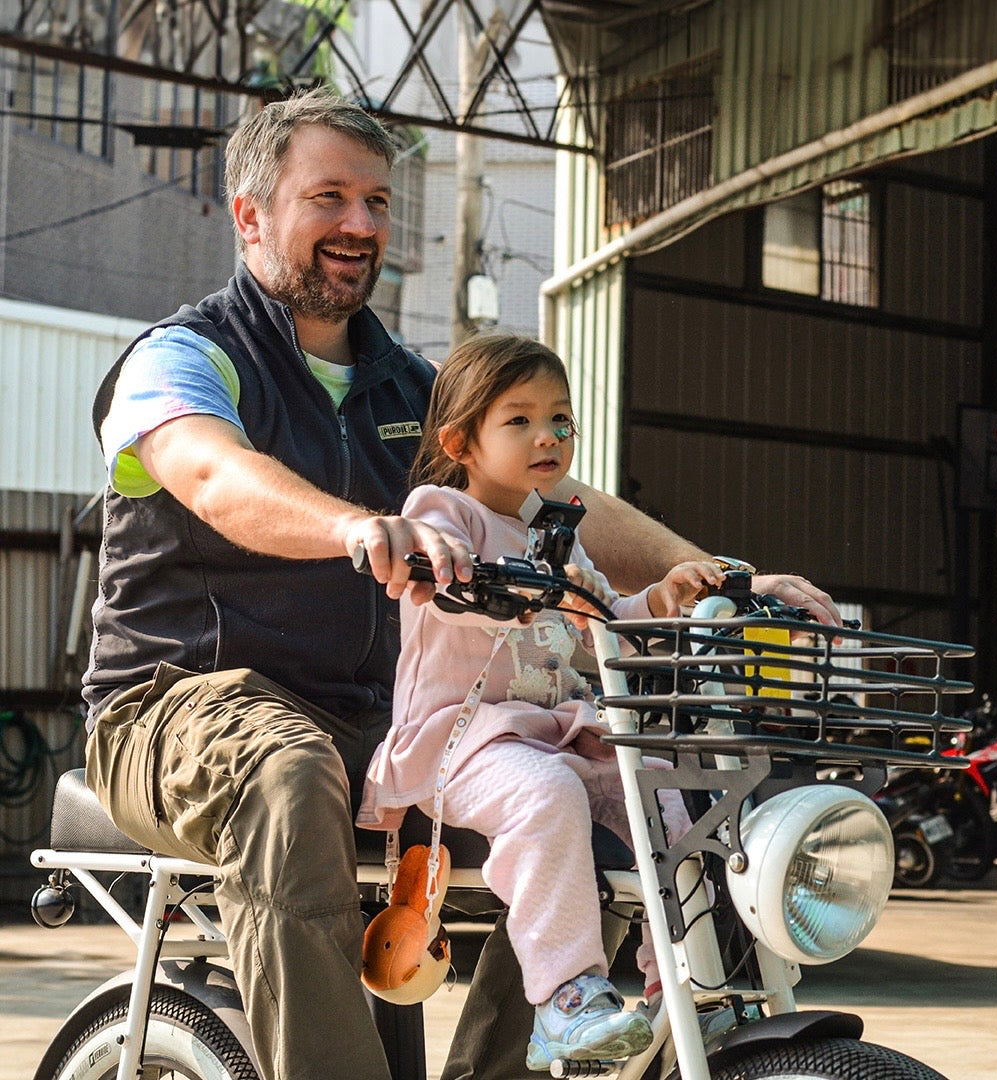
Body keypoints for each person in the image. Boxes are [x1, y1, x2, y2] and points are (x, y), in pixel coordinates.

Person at [80, 86, 840, 1080]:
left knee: (609, 783)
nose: (362, 225)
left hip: (375, 713)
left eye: (381, 203)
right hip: (180, 706)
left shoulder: (412, 388)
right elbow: (216, 476)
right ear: (252, 215)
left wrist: (725, 576)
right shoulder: (183, 358)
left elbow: (554, 496)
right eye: (332, 198)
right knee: (288, 775)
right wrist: (357, 524)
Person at [359, 334, 726, 1070]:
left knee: (665, 795)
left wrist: (662, 596)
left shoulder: (558, 534)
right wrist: (467, 575)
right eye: (519, 419)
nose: (547, 436)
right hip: (462, 744)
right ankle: (565, 996)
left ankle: (685, 983)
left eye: (560, 419)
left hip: (553, 733)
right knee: (547, 793)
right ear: (460, 440)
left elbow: (604, 624)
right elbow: (437, 567)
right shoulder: (444, 510)